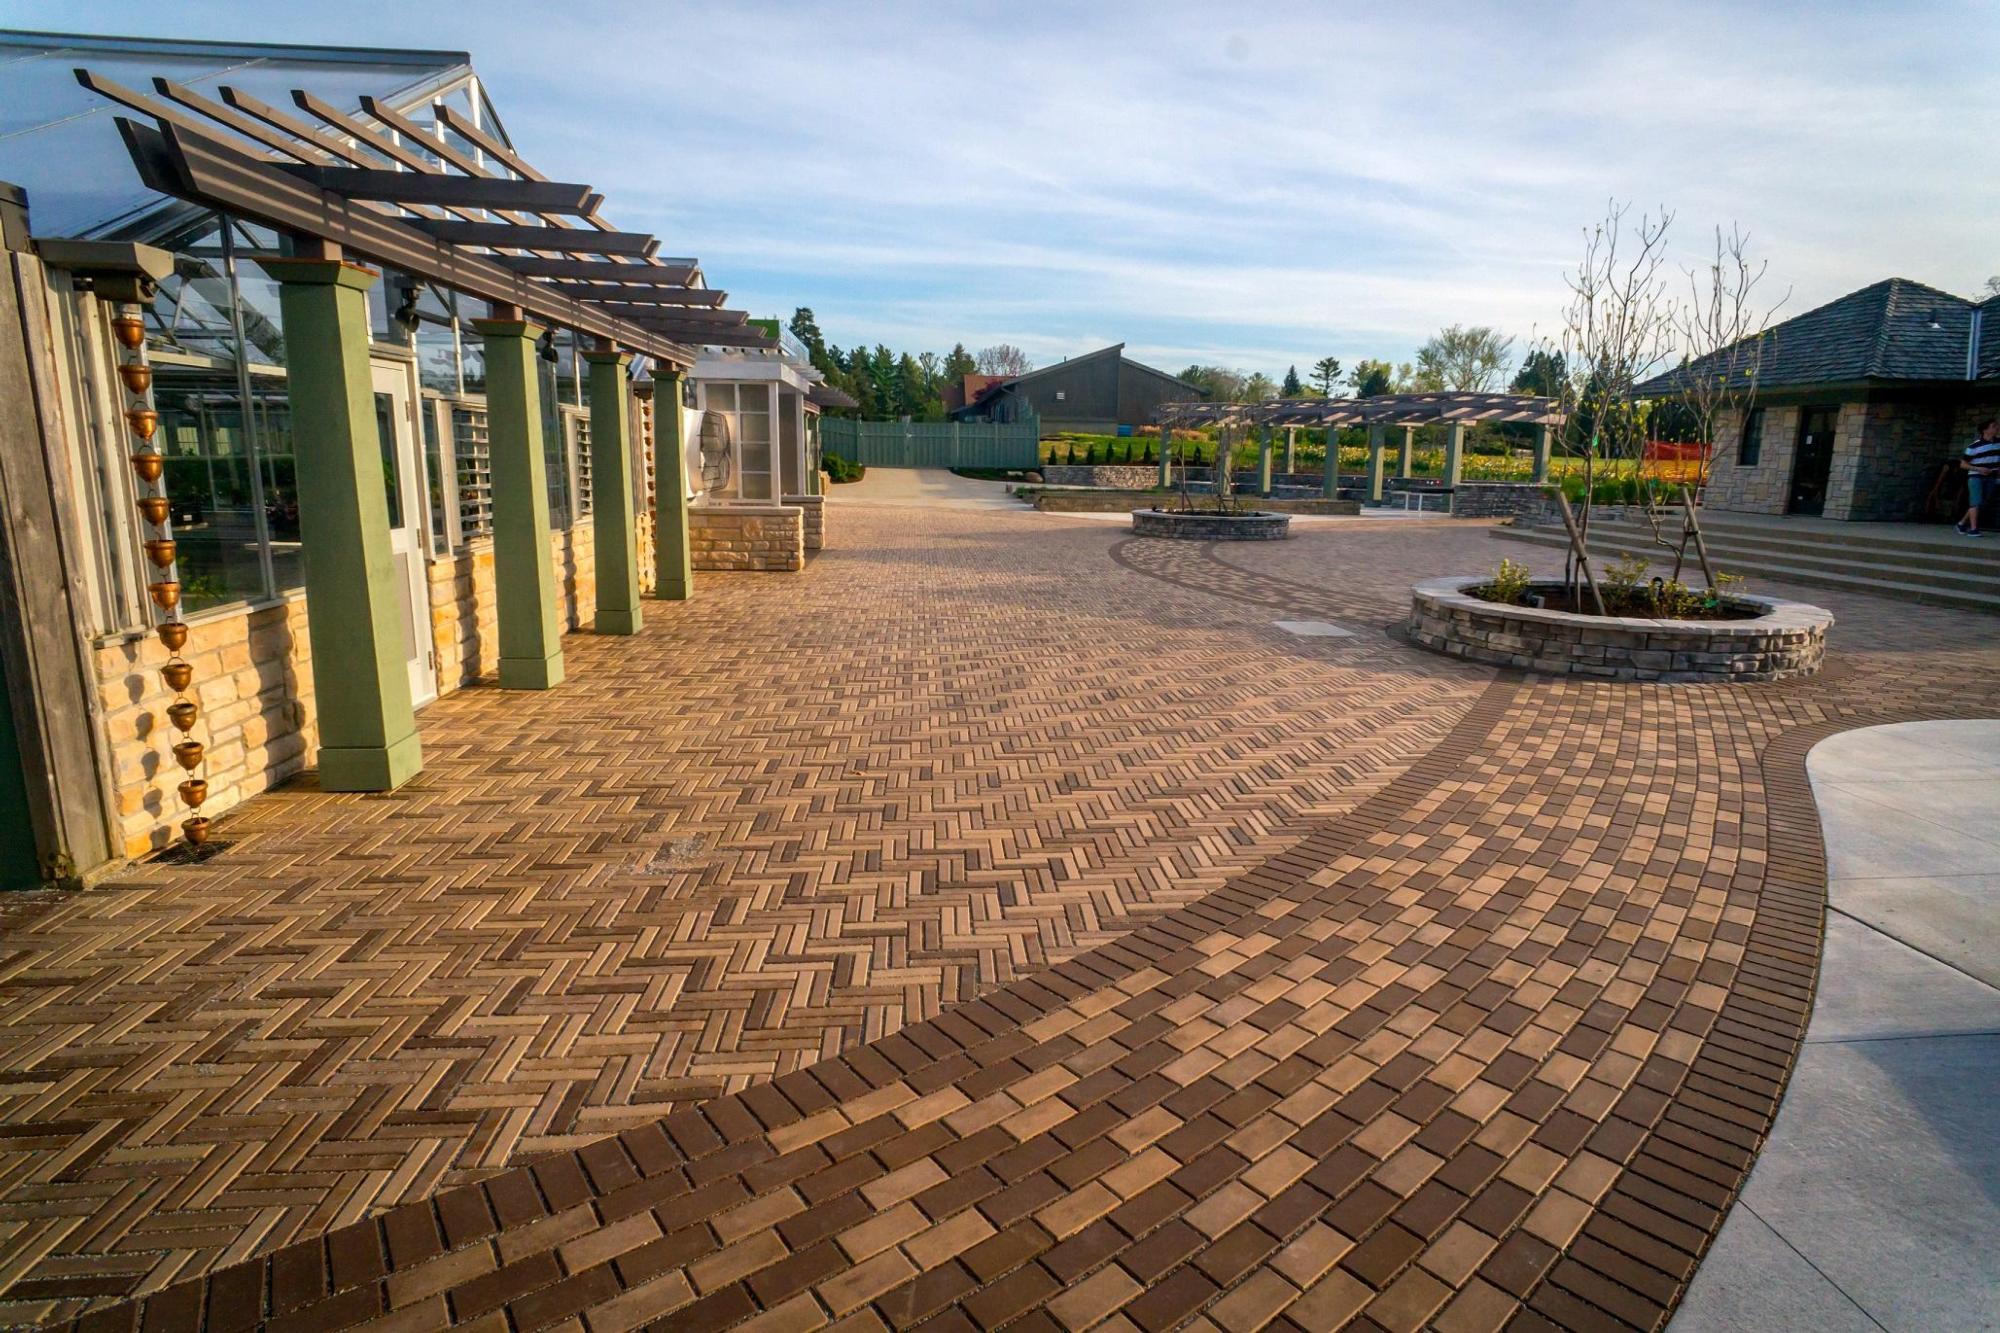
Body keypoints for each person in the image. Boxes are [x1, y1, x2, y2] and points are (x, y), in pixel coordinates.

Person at [1958, 419, 2000, 536]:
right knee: (1976, 501)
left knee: (1980, 503)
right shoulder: (1974, 446)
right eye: (1994, 426)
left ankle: (1961, 523)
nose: (1997, 428)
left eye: (1997, 426)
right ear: (1985, 430)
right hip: (1976, 476)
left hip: (1991, 477)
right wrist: (1979, 469)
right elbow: (1963, 464)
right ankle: (1973, 529)